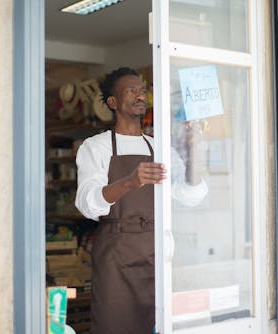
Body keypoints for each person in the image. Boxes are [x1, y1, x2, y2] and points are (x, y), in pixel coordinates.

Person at [75, 67, 207, 333]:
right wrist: (128, 182)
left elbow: (188, 195)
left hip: (156, 252)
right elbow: (87, 203)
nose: (139, 95)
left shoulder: (159, 147)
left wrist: (196, 153)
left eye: (142, 90)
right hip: (116, 255)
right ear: (113, 102)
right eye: (130, 90)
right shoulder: (96, 146)